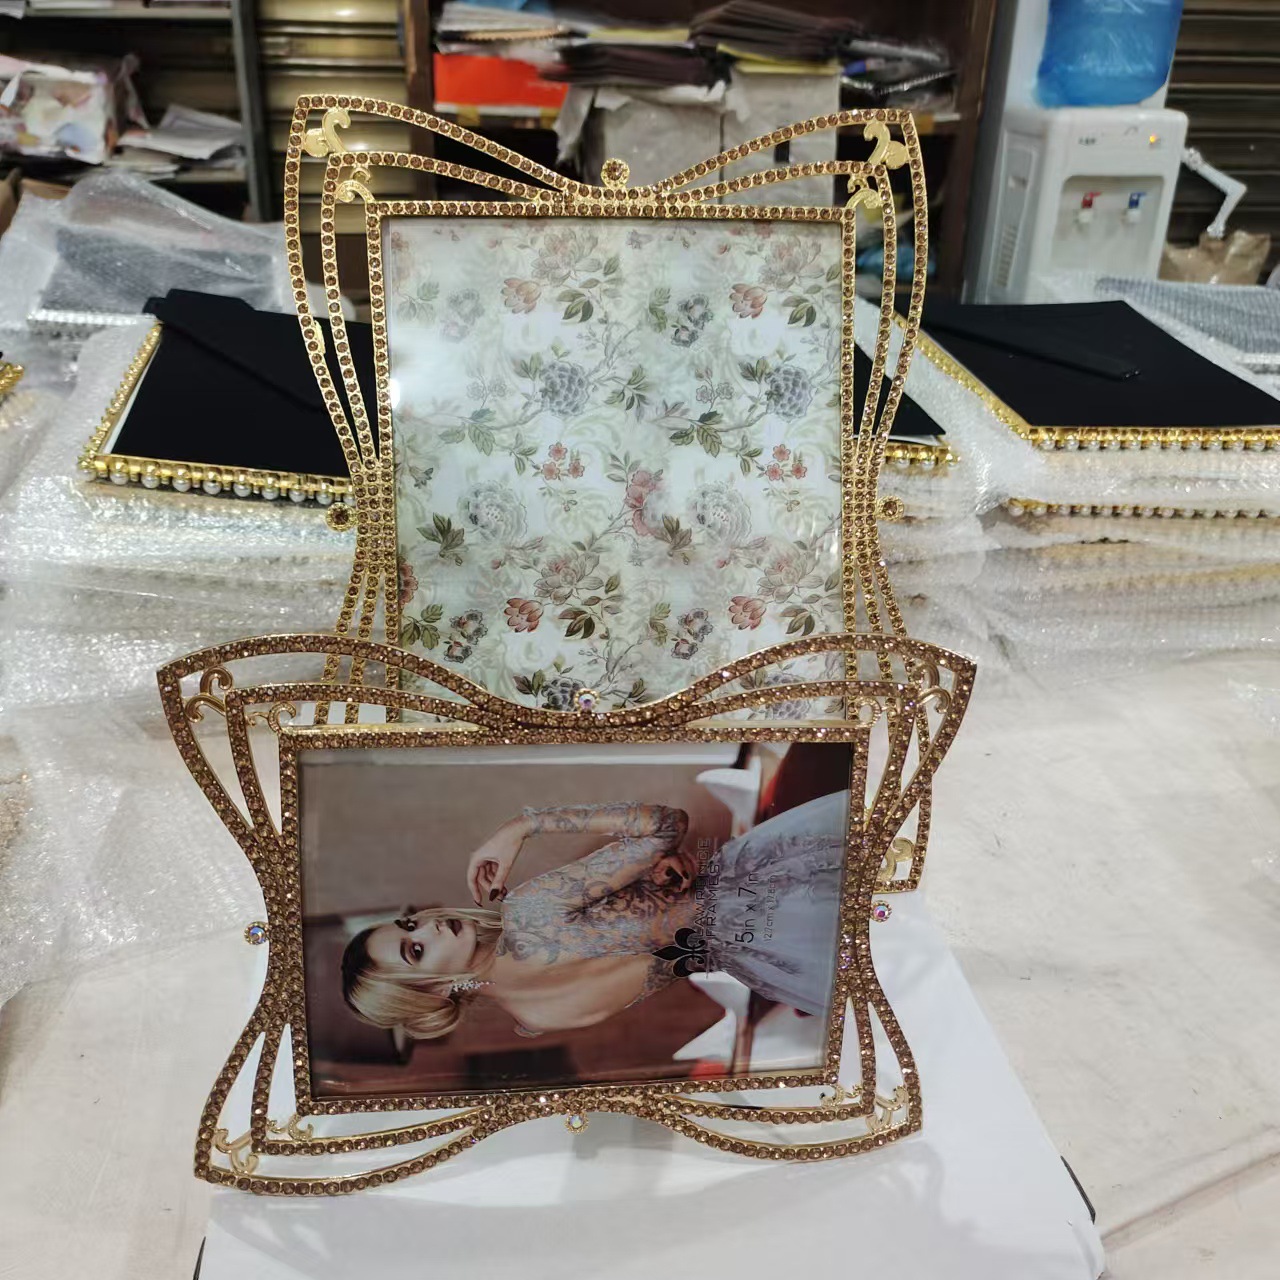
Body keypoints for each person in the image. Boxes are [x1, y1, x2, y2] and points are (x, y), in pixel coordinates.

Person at [340, 790, 847, 1042]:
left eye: (409, 924)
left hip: (767, 962)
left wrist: (654, 880)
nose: (428, 927)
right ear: (429, 992)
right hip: (773, 890)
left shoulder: (536, 1021)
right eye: (416, 950)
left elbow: (661, 949)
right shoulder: (527, 915)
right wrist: (523, 826)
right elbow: (665, 824)